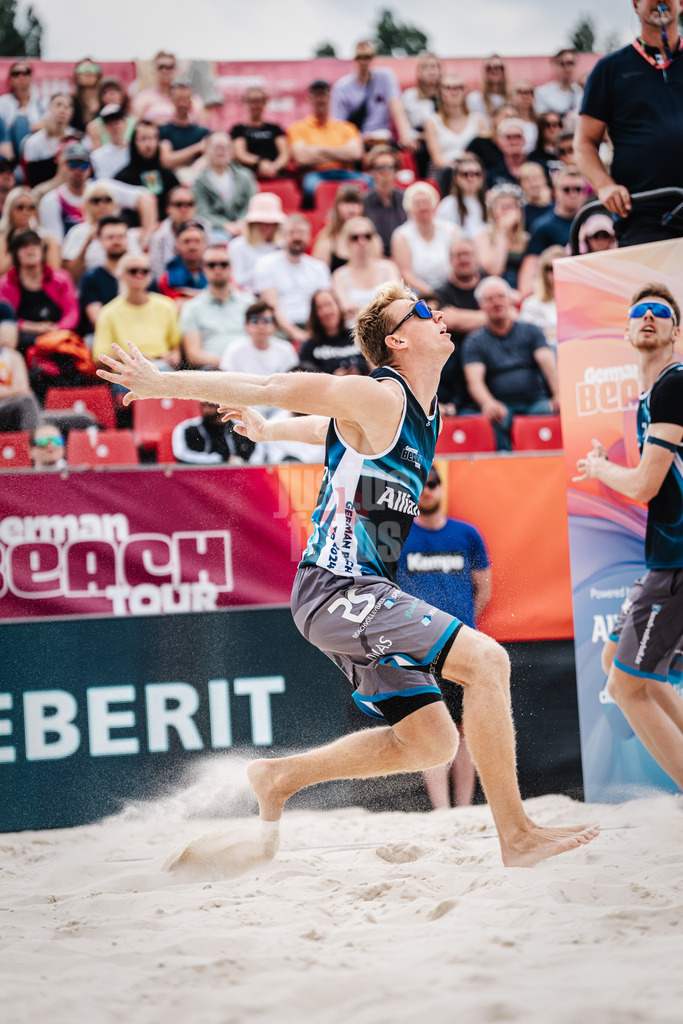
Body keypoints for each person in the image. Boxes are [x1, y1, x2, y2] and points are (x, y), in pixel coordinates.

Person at [96, 283, 599, 867]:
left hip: (354, 595)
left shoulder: (417, 415)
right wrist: (163, 383)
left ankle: (280, 777)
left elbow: (323, 432)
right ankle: (517, 837)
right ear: (397, 339)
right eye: (421, 312)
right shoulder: (379, 394)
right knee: (488, 662)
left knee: (432, 740)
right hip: (339, 589)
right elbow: (272, 385)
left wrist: (267, 432)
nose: (438, 315)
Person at [575, 283, 683, 789]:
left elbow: (644, 484)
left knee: (626, 685)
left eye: (660, 313)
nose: (648, 318)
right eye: (638, 312)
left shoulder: (673, 384)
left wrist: (600, 467)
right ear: (625, 329)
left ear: (675, 331)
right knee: (616, 661)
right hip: (664, 558)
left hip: (676, 561)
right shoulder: (651, 395)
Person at [396, 465, 491, 808]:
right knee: (433, 731)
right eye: (421, 486)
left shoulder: (467, 534)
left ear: (441, 487)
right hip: (418, 650)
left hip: (461, 645)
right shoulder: (401, 536)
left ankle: (463, 810)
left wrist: (462, 625)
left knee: (466, 731)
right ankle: (442, 812)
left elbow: (483, 588)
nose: (427, 492)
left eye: (432, 484)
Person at [575, 0, 683, 246]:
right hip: (644, 213)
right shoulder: (610, 69)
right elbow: (584, 142)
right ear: (635, 4)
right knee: (653, 285)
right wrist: (604, 187)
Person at [462, 275, 559, 450]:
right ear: (481, 306)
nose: (496, 303)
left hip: (535, 401)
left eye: (500, 297)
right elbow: (474, 382)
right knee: (489, 418)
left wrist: (558, 394)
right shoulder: (474, 342)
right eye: (489, 299)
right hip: (502, 406)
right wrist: (488, 403)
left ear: (510, 300)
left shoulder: (531, 331)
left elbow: (549, 365)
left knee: (550, 412)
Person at [39, 141, 157, 247]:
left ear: (90, 168)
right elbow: (55, 245)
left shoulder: (103, 188)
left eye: (84, 164)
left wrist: (146, 238)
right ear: (62, 165)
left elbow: (145, 197)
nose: (78, 170)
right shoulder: (52, 200)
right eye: (73, 164)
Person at [253, 215, 331, 345]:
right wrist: (296, 333)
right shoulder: (266, 264)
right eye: (291, 233)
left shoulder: (319, 267)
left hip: (314, 326)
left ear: (309, 236)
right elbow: (272, 306)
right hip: (279, 327)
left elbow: (325, 304)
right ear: (282, 236)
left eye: (301, 233)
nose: (297, 237)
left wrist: (314, 333)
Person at [93, 252, 180, 367]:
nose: (139, 275)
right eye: (133, 271)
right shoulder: (108, 312)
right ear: (120, 274)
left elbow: (176, 346)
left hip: (161, 366)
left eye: (145, 271)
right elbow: (99, 357)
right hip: (127, 370)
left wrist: (174, 356)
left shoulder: (166, 305)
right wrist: (130, 357)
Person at [0, 230, 79, 354]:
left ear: (42, 251)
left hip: (57, 336)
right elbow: (6, 318)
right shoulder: (5, 284)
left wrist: (57, 328)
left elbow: (72, 312)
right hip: (22, 338)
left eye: (35, 245)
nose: (30, 250)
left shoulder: (61, 278)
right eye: (24, 246)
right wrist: (34, 327)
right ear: (15, 254)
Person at [287, 80, 364, 205]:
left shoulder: (347, 127)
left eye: (323, 94)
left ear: (329, 97)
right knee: (310, 187)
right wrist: (341, 154)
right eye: (316, 95)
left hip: (345, 174)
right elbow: (302, 158)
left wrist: (318, 151)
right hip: (315, 175)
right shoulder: (297, 128)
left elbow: (355, 154)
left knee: (369, 182)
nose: (320, 99)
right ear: (309, 98)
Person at [434, 238, 487, 415]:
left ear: (475, 257)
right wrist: (490, 317)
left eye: (467, 254)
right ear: (450, 261)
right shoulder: (442, 292)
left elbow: (511, 315)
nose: (463, 259)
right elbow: (448, 320)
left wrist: (460, 316)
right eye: (458, 255)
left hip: (490, 356)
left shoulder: (488, 284)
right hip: (455, 363)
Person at [179, 244, 255, 367]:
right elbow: (193, 355)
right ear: (204, 268)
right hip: (211, 372)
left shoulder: (249, 303)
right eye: (212, 265)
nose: (218, 269)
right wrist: (228, 364)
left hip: (247, 369)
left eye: (223, 264)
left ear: (230, 267)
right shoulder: (192, 308)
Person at [330, 40, 414, 150]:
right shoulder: (342, 87)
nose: (364, 62)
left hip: (382, 139)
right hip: (354, 141)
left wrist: (405, 137)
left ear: (372, 58)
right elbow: (338, 124)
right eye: (360, 57)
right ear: (354, 59)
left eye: (367, 57)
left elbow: (396, 107)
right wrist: (358, 138)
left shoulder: (385, 77)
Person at [517, 167, 588, 297]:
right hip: (556, 292)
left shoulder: (594, 222)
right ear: (555, 192)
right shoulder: (543, 226)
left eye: (578, 189)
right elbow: (530, 266)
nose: (573, 194)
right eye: (566, 189)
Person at [219, 301, 299, 413]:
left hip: (279, 409)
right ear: (246, 326)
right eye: (255, 321)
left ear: (274, 325)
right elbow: (226, 387)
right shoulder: (234, 350)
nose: (261, 326)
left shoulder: (286, 349)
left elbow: (293, 386)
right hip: (245, 408)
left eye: (266, 320)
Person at [61, 180, 141, 282]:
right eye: (96, 200)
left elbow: (139, 267)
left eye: (108, 199)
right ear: (86, 205)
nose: (102, 204)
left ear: (115, 204)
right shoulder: (77, 232)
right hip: (89, 288)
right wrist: (87, 242)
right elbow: (71, 276)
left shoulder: (126, 232)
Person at [391, 181, 459, 295]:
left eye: (426, 202)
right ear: (409, 208)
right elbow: (405, 273)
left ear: (434, 204)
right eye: (417, 203)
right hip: (416, 292)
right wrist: (431, 292)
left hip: (450, 289)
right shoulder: (401, 235)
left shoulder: (451, 230)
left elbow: (457, 264)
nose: (423, 207)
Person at [331, 216, 400, 325]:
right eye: (355, 237)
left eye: (367, 236)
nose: (361, 241)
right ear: (347, 241)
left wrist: (357, 308)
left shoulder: (389, 268)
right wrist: (380, 306)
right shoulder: (339, 275)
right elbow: (345, 309)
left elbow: (395, 303)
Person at [192, 132, 257, 238]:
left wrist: (242, 222)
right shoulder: (199, 181)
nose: (221, 151)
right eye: (216, 147)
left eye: (226, 147)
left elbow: (252, 203)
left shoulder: (246, 176)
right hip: (215, 230)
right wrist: (224, 225)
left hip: (245, 226)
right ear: (206, 150)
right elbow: (202, 212)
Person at [115, 120, 180, 221]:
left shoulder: (169, 176)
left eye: (152, 138)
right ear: (134, 142)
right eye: (143, 139)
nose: (148, 144)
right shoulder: (122, 178)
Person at [79, 216, 134, 334]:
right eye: (110, 237)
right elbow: (98, 320)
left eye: (120, 237)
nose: (116, 241)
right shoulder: (91, 278)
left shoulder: (141, 272)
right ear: (100, 240)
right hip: (105, 337)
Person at [423, 75, 486, 177]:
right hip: (444, 173)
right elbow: (437, 160)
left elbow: (482, 155)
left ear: (465, 91)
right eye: (448, 88)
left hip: (473, 172)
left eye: (459, 87)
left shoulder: (478, 120)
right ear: (441, 92)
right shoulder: (432, 122)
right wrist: (460, 169)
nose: (454, 92)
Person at [298, 288, 368, 374]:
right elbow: (304, 379)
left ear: (338, 306)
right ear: (314, 313)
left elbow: (375, 368)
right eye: (319, 307)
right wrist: (333, 378)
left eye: (329, 305)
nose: (326, 311)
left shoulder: (358, 336)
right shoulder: (309, 345)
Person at [148, 186, 209, 281]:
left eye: (189, 204)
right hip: (170, 286)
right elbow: (157, 271)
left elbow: (211, 261)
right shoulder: (159, 236)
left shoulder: (206, 228)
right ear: (168, 209)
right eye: (178, 204)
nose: (184, 209)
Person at [474, 183, 528, 290]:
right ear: (493, 210)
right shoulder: (483, 236)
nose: (506, 211)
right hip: (494, 290)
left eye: (510, 206)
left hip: (521, 290)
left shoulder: (526, 238)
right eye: (502, 207)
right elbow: (494, 270)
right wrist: (502, 231)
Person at [228, 191, 285, 292]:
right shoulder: (237, 246)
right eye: (260, 223)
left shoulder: (282, 247)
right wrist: (264, 266)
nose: (266, 227)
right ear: (252, 224)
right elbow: (237, 280)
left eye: (271, 223)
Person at [230, 86, 289, 180]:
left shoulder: (275, 128)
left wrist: (273, 167)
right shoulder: (238, 130)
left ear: (265, 103)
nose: (256, 105)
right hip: (249, 176)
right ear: (245, 103)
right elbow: (240, 154)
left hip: (276, 174)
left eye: (260, 101)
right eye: (252, 101)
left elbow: (284, 154)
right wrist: (260, 162)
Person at [132, 51, 205, 126]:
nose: (165, 71)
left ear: (176, 71)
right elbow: (136, 125)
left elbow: (199, 126)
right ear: (154, 71)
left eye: (169, 67)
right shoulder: (143, 98)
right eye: (161, 67)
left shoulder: (193, 99)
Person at [0, 187, 61, 275]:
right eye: (20, 207)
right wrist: (18, 242)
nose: (26, 212)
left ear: (36, 212)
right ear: (10, 211)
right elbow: (1, 273)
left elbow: (54, 272)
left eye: (31, 207)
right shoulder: (3, 240)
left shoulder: (48, 240)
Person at [172, 400, 254, 465]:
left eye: (211, 405)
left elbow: (258, 459)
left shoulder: (242, 429)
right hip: (198, 481)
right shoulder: (186, 429)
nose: (206, 410)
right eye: (203, 405)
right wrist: (221, 460)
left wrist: (242, 464)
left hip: (241, 480)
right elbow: (181, 455)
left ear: (225, 406)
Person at [22, 93, 76, 188]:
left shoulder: (77, 139)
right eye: (58, 105)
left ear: (71, 112)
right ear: (49, 108)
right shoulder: (33, 142)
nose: (62, 110)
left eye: (67, 107)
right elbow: (31, 177)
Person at [363, 145, 407, 257]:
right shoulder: (363, 202)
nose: (385, 172)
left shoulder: (406, 198)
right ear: (372, 171)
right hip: (374, 258)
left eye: (389, 167)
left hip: (405, 256)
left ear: (396, 170)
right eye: (379, 168)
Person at [158, 79, 211, 173]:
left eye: (187, 99)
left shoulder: (203, 132)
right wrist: (197, 147)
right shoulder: (163, 131)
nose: (183, 104)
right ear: (172, 100)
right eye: (179, 99)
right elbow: (167, 160)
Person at [402, 52, 441, 177]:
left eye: (434, 67)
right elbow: (406, 125)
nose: (431, 71)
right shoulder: (410, 96)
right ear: (418, 72)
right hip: (420, 141)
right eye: (426, 67)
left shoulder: (447, 95)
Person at [519, 244, 565, 349]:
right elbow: (525, 336)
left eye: (561, 267)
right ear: (543, 271)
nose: (556, 272)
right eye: (551, 268)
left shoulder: (577, 300)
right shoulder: (532, 303)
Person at [311, 186, 367, 269]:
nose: (351, 209)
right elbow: (319, 274)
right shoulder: (327, 238)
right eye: (346, 203)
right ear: (337, 207)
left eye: (356, 203)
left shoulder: (370, 236)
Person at [0, 61, 46, 159]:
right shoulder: (3, 102)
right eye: (16, 74)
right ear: (10, 80)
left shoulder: (41, 102)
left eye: (26, 73)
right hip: (8, 149)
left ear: (31, 77)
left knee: (21, 122)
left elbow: (50, 124)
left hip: (35, 149)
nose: (21, 76)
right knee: (20, 122)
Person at [436, 154, 488, 238]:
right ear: (456, 177)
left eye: (477, 174)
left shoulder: (488, 204)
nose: (471, 178)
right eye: (465, 174)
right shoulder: (448, 205)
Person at [159, 219, 208, 304]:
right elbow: (173, 304)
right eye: (187, 241)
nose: (192, 247)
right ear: (177, 245)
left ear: (205, 243)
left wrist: (188, 295)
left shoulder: (218, 267)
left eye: (197, 241)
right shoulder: (166, 278)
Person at [0, 341, 41, 432]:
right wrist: (16, 391)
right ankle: (34, 443)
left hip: (9, 405)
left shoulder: (11, 356)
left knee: (72, 419)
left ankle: (36, 440)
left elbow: (23, 388)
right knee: (27, 401)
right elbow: (22, 390)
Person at [86, 77, 136, 150]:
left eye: (116, 90)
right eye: (105, 92)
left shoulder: (134, 123)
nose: (111, 94)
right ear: (100, 97)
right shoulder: (93, 126)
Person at [534, 49, 583, 118]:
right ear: (554, 65)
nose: (567, 67)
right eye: (562, 63)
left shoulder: (580, 92)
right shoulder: (542, 93)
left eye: (570, 63)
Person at [466, 55, 510, 125]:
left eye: (499, 67)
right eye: (489, 68)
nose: (494, 71)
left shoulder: (512, 97)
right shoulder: (473, 99)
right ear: (484, 71)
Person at [485, 118, 528, 189]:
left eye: (518, 136)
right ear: (499, 143)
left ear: (524, 140)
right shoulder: (492, 173)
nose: (514, 142)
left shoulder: (538, 167)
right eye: (509, 137)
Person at [90, 105, 130, 180]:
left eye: (117, 122)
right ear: (105, 127)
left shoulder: (135, 151)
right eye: (110, 123)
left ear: (125, 123)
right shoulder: (97, 156)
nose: (114, 126)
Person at [517, 161, 553, 232]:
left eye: (536, 178)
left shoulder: (557, 209)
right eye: (527, 180)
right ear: (521, 185)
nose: (533, 184)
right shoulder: (520, 213)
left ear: (545, 180)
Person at [70, 58, 102, 134]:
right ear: (77, 75)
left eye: (92, 69)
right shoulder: (70, 102)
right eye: (83, 69)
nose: (87, 72)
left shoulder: (106, 100)